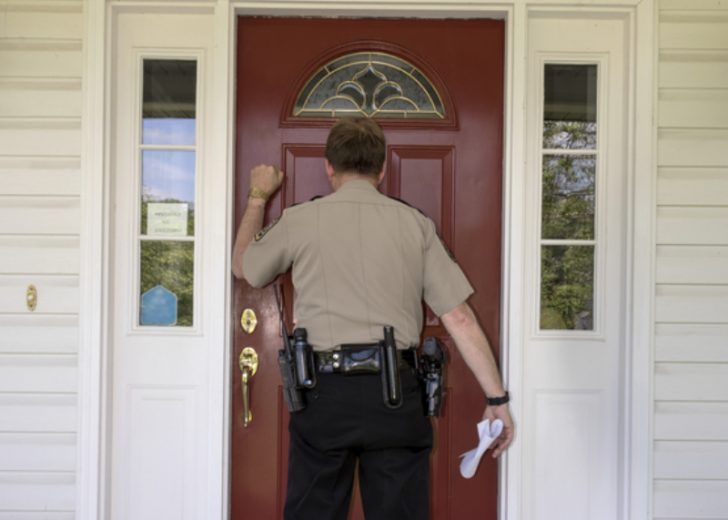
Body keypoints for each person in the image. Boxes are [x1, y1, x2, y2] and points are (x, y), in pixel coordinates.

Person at [232, 118, 513, 520]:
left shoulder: (300, 219)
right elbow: (458, 317)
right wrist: (496, 399)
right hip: (395, 396)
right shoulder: (415, 225)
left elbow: (244, 267)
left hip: (322, 394)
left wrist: (258, 196)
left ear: (330, 168)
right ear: (382, 169)